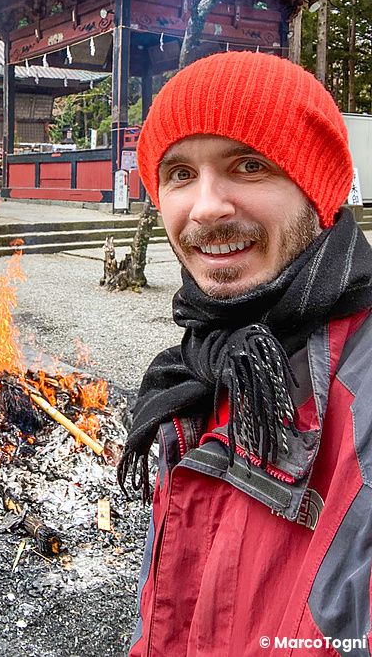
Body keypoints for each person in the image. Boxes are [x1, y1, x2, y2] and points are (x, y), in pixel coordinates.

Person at [121, 51, 372, 656]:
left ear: (318, 189)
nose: (206, 208)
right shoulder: (204, 364)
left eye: (249, 164)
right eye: (180, 174)